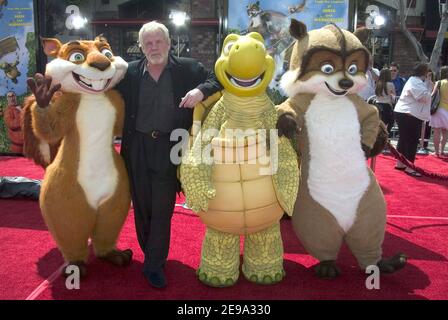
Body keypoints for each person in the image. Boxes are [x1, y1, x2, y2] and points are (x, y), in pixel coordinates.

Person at [116, 21, 222, 289]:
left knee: (162, 208)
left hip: (170, 147)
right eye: (148, 43)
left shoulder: (188, 68)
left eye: (158, 41)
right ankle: (152, 253)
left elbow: (217, 79)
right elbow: (101, 89)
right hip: (136, 147)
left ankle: (153, 264)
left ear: (169, 43)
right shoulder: (129, 73)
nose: (154, 47)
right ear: (141, 46)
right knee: (142, 207)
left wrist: (200, 91)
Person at [394, 62, 433, 177]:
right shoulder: (415, 81)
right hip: (409, 114)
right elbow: (422, 97)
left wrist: (427, 83)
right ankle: (409, 167)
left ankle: (401, 163)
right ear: (424, 72)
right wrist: (429, 86)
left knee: (404, 139)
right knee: (411, 140)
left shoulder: (414, 81)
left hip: (406, 113)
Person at [430, 66, 448, 157]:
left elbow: (432, 95)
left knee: (437, 131)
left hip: (438, 109)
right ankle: (442, 151)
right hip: (447, 111)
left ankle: (436, 152)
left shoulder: (439, 82)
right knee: (445, 132)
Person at [374, 68, 396, 135]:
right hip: (386, 106)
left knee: (379, 123)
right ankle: (385, 137)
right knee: (390, 122)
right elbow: (393, 97)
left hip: (377, 105)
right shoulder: (390, 84)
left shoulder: (378, 84)